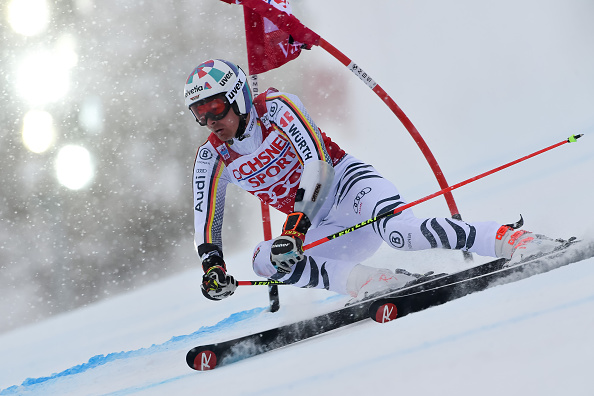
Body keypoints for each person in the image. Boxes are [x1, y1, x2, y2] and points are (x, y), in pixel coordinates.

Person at [185, 59, 563, 301]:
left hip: (349, 187)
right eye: (199, 113)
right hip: (321, 225)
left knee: (403, 234)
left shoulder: (278, 108)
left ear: (237, 98)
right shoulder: (211, 157)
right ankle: (373, 282)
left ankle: (514, 240)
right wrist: (213, 268)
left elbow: (317, 163)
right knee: (266, 260)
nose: (210, 120)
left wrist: (296, 228)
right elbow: (206, 222)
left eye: (215, 107)